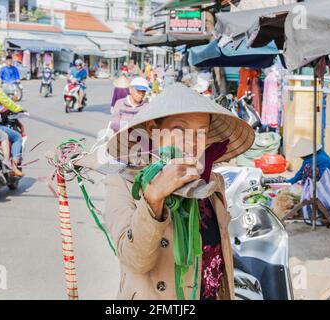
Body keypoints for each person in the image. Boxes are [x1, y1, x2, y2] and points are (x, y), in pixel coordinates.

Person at [103, 83, 255, 299]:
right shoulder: (123, 183)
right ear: (152, 130)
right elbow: (135, 260)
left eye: (201, 132)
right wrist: (154, 198)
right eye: (180, 129)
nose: (192, 142)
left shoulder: (211, 183)